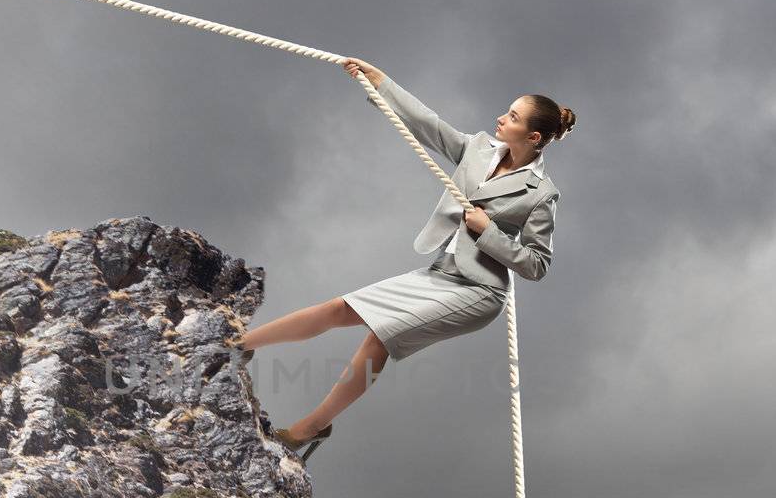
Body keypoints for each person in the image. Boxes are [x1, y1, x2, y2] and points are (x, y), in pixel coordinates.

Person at [238, 59, 575, 459]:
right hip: (437, 274)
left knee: (379, 337)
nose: (501, 118)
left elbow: (536, 264)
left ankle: (309, 428)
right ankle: (237, 345)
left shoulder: (541, 193)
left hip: (478, 292)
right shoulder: (479, 148)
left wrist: (489, 232)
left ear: (533, 136)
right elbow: (428, 124)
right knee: (337, 309)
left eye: (513, 117)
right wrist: (380, 82)